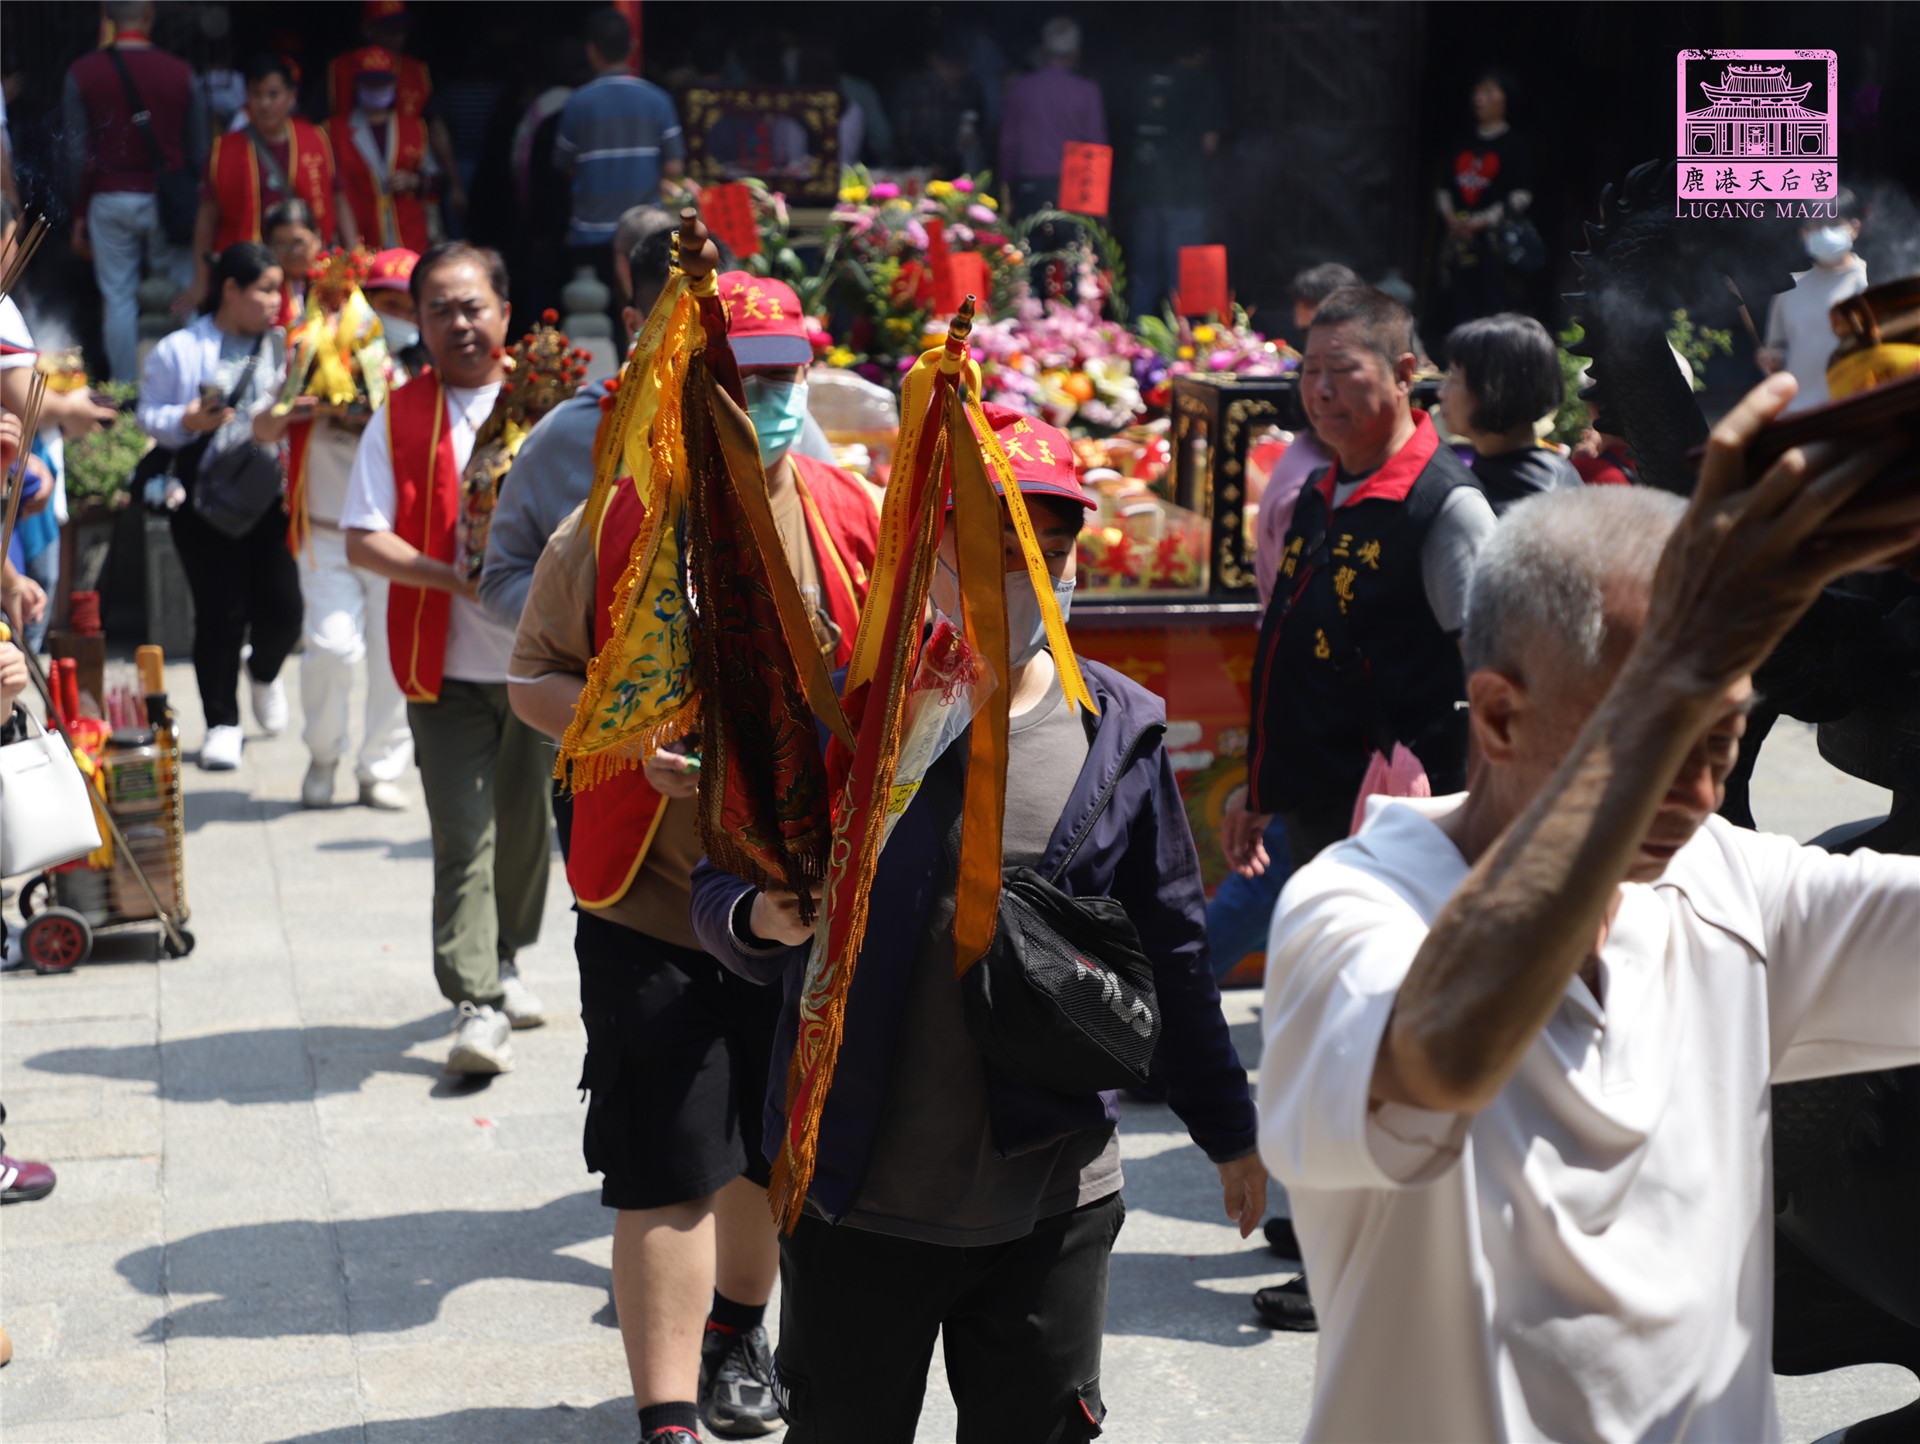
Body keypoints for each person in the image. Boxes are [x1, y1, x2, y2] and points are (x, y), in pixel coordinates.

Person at [1255, 378, 1920, 1440]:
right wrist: (1682, 670)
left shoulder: (1731, 886)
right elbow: (1440, 1056)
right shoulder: (1356, 907)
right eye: (1647, 729)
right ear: (1498, 717)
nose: (1696, 793)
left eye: (1719, 737)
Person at [690, 404, 1263, 1444]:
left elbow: (1174, 947)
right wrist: (761, 918)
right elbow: (720, 881)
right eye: (998, 545)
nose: (1028, 571)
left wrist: (1229, 1131)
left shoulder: (1114, 729)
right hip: (858, 1194)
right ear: (929, 549)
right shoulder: (852, 713)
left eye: (1052, 547)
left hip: (1053, 1197)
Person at [502, 264, 879, 1444]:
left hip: (798, 899)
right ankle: (665, 1415)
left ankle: (737, 1336)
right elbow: (531, 679)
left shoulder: (850, 514)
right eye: (740, 380)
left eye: (785, 377)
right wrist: (630, 736)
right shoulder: (613, 524)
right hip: (651, 900)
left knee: (765, 1156)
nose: (769, 400)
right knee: (663, 1159)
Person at [342, 242, 550, 1073]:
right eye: (440, 310)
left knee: (527, 829)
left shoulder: (553, 405)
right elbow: (363, 537)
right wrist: (450, 577)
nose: (459, 324)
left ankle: (506, 955)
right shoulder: (399, 415)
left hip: (542, 665)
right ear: (417, 323)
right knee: (465, 834)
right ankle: (477, 1001)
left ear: (505, 312)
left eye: (473, 307)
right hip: (445, 667)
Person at [137, 242, 306, 771]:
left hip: (273, 493)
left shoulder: (287, 345)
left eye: (280, 289)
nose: (276, 300)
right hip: (203, 494)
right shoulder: (181, 348)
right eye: (265, 289)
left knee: (285, 610)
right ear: (230, 289)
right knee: (219, 612)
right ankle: (222, 723)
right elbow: (148, 415)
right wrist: (186, 420)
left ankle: (263, 671)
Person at [281, 240, 414, 814]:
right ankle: (323, 755)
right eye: (385, 303)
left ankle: (378, 768)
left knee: (390, 661)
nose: (396, 316)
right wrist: (298, 405)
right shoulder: (308, 355)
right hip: (326, 532)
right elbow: (264, 425)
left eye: (406, 307)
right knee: (333, 649)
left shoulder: (418, 374)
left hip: (390, 537)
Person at [60, 1, 208, 382]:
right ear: (149, 15)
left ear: (107, 18)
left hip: (108, 198)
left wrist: (80, 210)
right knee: (180, 294)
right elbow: (200, 151)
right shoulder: (181, 72)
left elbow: (76, 154)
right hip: (168, 202)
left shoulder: (82, 73)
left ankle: (126, 391)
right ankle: (184, 384)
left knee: (118, 299)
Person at [0, 199, 118, 649]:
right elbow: (21, 400)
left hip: (21, 468)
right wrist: (74, 411)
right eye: (14, 237)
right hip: (15, 477)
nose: (17, 249)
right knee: (22, 618)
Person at [182, 54, 337, 315]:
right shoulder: (224, 149)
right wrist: (201, 279)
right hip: (247, 268)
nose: (265, 103)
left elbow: (337, 198)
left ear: (291, 97)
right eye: (257, 94)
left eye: (273, 94)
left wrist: (347, 251)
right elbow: (207, 216)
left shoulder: (315, 139)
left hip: (302, 264)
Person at [554, 10, 685, 304]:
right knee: (647, 313)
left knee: (590, 311)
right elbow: (674, 167)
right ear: (633, 47)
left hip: (591, 233)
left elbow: (564, 166)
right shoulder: (659, 100)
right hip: (645, 234)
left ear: (591, 50)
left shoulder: (577, 103)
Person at [326, 0, 466, 224]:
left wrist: (455, 182)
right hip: (354, 188)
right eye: (389, 30)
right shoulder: (339, 70)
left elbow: (435, 127)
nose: (397, 37)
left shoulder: (416, 71)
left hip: (409, 192)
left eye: (401, 30)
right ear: (367, 29)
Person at [1438, 312, 1582, 514]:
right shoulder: (1554, 472)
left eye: (1454, 378)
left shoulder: (1537, 499)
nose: (1441, 392)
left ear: (1495, 389)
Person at [1124, 40, 1225, 316]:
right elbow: (1210, 143)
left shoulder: (1146, 82)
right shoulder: (1203, 83)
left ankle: (1137, 333)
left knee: (1144, 277)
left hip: (1144, 190)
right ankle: (1180, 338)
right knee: (1181, 279)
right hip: (1186, 192)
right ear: (1202, 51)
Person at [1432, 68, 1534, 331]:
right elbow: (1444, 189)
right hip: (1458, 240)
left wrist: (1483, 221)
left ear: (1506, 98)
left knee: (1495, 307)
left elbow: (1522, 194)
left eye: (1489, 91)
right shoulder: (1461, 142)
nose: (1480, 98)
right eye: (1478, 91)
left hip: (1496, 244)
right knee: (1458, 305)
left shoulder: (1515, 144)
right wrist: (1452, 219)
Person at [1758, 189, 1868, 415]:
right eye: (1816, 226)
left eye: (1834, 224)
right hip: (1798, 413)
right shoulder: (1789, 289)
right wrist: (1772, 358)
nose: (1825, 233)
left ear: (1854, 227)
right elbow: (1777, 348)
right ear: (1804, 234)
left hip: (1858, 410)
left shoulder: (1871, 282)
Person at [327, 51, 439, 255]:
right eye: (370, 84)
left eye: (382, 84)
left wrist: (413, 181)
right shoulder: (333, 130)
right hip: (361, 233)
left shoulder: (414, 127)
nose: (376, 89)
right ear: (357, 85)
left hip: (409, 233)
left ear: (394, 84)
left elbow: (436, 180)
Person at [998, 18, 1107, 218]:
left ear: (1043, 49)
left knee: (1031, 237)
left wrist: (1007, 188)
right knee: (1072, 238)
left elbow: (1009, 144)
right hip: (1074, 186)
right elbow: (1095, 146)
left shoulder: (1020, 88)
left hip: (1029, 183)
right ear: (1076, 52)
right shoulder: (1087, 91)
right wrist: (1099, 209)